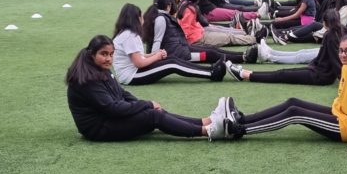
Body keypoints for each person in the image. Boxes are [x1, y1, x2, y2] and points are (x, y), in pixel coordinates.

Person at [223, 32, 347, 153]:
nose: (343, 55)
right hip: (342, 115)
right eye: (341, 50)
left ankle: (240, 130)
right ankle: (242, 119)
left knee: (295, 114)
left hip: (346, 128)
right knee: (292, 102)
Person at [66, 35, 227, 141]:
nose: (109, 59)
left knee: (155, 113)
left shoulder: (100, 70)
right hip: (98, 129)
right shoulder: (86, 80)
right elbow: (113, 108)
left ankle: (206, 121)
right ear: (91, 55)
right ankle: (208, 131)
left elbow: (122, 93)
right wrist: (146, 105)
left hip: (108, 119)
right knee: (153, 116)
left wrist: (142, 106)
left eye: (111, 54)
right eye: (104, 54)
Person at [112, 3, 225, 84]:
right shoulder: (128, 36)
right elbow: (139, 63)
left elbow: (139, 55)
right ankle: (212, 73)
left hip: (134, 72)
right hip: (132, 75)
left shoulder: (127, 34)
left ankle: (211, 69)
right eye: (141, 17)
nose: (143, 19)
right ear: (136, 18)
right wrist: (156, 56)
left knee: (173, 60)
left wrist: (155, 54)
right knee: (172, 64)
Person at [225, 8, 343, 86]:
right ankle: (245, 73)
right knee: (283, 72)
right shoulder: (338, 32)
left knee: (282, 74)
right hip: (317, 71)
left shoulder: (331, 36)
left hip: (320, 76)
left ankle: (244, 74)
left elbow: (335, 61)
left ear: (326, 23)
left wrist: (345, 80)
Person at [143, 0, 246, 65]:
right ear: (168, 6)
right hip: (179, 56)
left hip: (181, 50)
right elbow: (157, 41)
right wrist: (154, 60)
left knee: (212, 50)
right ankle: (244, 57)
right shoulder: (161, 19)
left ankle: (244, 55)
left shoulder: (159, 16)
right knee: (211, 54)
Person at [177, 0, 256, 48]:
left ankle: (246, 33)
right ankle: (254, 38)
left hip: (199, 33)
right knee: (228, 37)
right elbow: (184, 28)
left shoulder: (186, 5)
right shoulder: (189, 10)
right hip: (197, 38)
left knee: (223, 32)